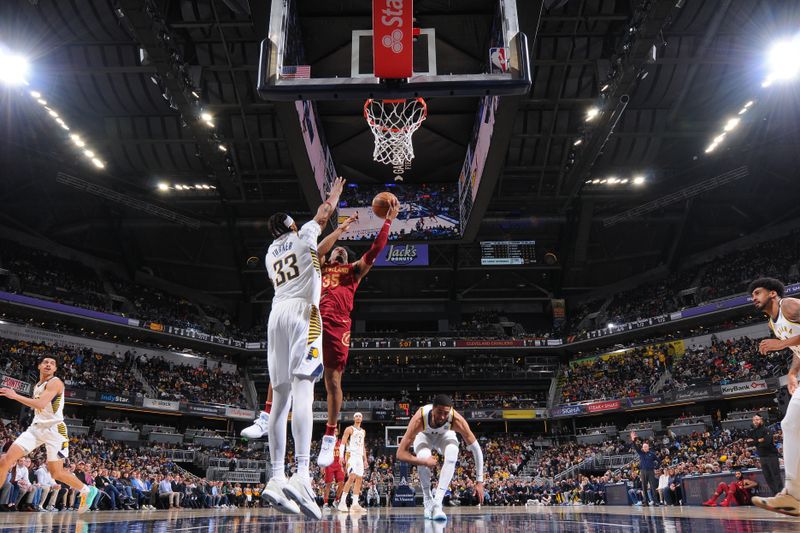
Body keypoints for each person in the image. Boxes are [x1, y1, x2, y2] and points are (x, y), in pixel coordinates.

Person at [259, 177, 345, 520]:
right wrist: (334, 197)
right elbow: (323, 214)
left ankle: (277, 477)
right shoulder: (304, 234)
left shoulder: (268, 254)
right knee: (304, 394)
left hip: (275, 316)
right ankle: (303, 475)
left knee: (280, 399)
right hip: (302, 314)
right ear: (292, 224)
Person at [316, 202, 399, 467]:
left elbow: (375, 251)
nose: (339, 251)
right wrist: (339, 231)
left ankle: (330, 434)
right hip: (313, 322)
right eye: (336, 250)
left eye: (343, 250)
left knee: (333, 381)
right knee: (296, 374)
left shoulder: (353, 272)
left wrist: (388, 221)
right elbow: (317, 250)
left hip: (339, 326)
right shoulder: (319, 267)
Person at [0, 355, 99, 512]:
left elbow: (40, 403)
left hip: (55, 430)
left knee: (56, 473)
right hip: (36, 428)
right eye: (45, 362)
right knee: (5, 461)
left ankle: (87, 490)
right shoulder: (38, 384)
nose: (48, 364)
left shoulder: (55, 382)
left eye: (52, 363)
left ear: (55, 369)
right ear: (39, 366)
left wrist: (15, 395)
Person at [749, 278, 800, 516]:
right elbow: (798, 350)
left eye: (757, 293)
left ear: (772, 294)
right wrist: (792, 372)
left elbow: (789, 344)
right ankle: (792, 495)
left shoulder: (789, 305)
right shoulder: (773, 323)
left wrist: (779, 345)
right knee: (789, 424)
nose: (753, 298)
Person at [395, 394, 484, 522]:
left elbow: (476, 449)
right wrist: (424, 461)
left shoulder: (456, 420)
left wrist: (479, 481)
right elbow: (400, 454)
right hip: (424, 436)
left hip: (445, 435)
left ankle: (437, 503)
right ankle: (427, 500)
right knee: (423, 455)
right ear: (433, 409)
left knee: (453, 451)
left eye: (446, 413)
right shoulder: (419, 420)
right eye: (439, 412)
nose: (442, 417)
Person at [337, 413, 368, 512]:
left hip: (359, 457)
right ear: (354, 418)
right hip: (351, 456)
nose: (358, 417)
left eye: (360, 416)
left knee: (359, 479)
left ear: (362, 419)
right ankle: (342, 502)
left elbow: (362, 446)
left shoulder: (363, 431)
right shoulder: (349, 429)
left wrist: (365, 459)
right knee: (352, 476)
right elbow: (342, 443)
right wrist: (341, 456)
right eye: (357, 416)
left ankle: (355, 504)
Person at [748, 413, 782, 496]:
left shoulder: (767, 430)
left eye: (757, 419)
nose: (755, 421)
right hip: (762, 457)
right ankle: (775, 495)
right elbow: (749, 443)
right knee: (768, 477)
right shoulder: (753, 432)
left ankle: (781, 494)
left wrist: (755, 442)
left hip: (771, 455)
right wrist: (759, 441)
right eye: (754, 420)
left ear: (761, 420)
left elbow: (767, 442)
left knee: (775, 475)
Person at [629, 431, 660, 506]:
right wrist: (633, 440)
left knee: (653, 487)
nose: (645, 448)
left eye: (646, 446)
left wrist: (656, 467)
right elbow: (636, 447)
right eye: (644, 447)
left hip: (651, 471)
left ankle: (655, 501)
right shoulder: (641, 453)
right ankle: (645, 502)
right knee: (644, 487)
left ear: (648, 447)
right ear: (642, 448)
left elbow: (659, 461)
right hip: (643, 471)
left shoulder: (652, 454)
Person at [321, 425, 345, 511]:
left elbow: (342, 455)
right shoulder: (327, 441)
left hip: (338, 464)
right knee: (328, 484)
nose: (334, 432)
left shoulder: (340, 442)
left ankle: (336, 500)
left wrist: (343, 466)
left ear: (338, 433)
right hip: (329, 464)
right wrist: (322, 465)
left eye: (336, 431)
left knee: (342, 483)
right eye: (333, 431)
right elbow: (323, 453)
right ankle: (325, 503)